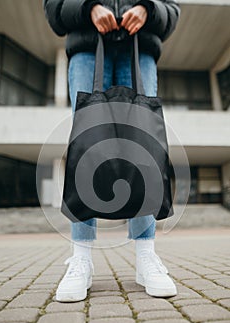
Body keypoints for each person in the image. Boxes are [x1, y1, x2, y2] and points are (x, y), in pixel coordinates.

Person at [43, 0, 180, 302]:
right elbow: (54, 7)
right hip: (86, 49)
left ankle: (146, 256)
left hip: (140, 49)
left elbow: (172, 9)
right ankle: (81, 258)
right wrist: (88, 7)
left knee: (143, 148)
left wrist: (148, 9)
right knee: (87, 146)